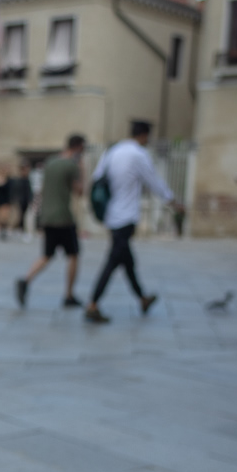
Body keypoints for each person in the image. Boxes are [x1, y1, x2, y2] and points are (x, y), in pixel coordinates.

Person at [85, 121, 173, 324]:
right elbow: (154, 182)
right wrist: (171, 200)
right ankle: (93, 304)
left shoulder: (112, 151)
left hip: (112, 216)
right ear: (144, 136)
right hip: (126, 217)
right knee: (114, 260)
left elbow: (98, 178)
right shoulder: (138, 155)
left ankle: (142, 298)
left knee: (127, 261)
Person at [15, 135, 85, 309]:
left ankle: (25, 280)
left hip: (47, 217)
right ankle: (69, 295)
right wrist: (82, 170)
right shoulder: (71, 166)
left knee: (47, 255)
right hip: (63, 217)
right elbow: (80, 191)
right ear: (78, 148)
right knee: (74, 255)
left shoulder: (51, 163)